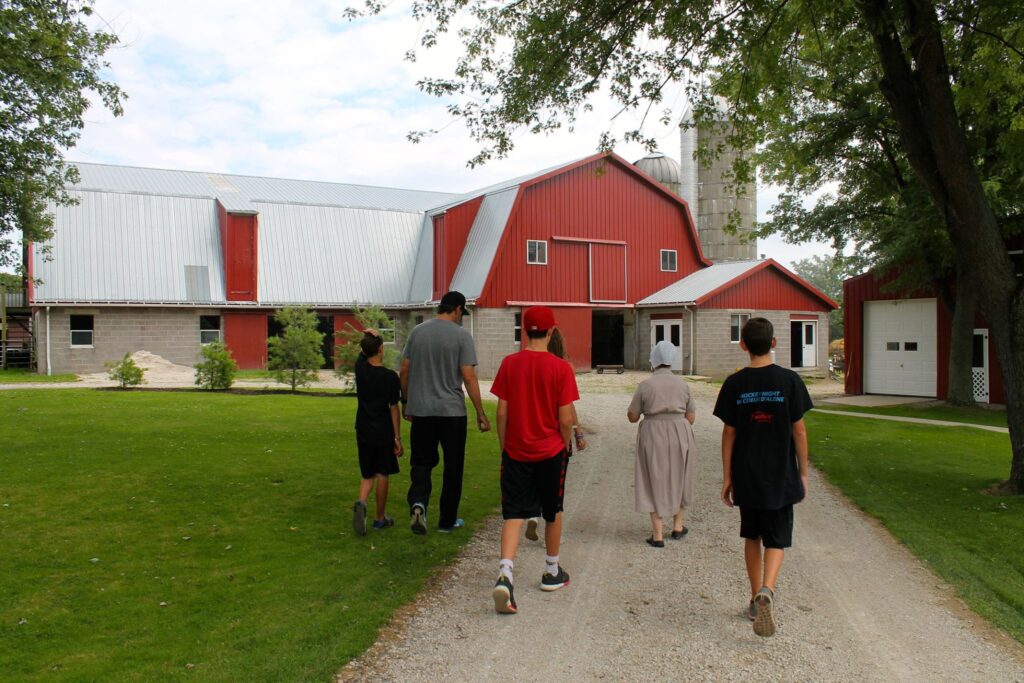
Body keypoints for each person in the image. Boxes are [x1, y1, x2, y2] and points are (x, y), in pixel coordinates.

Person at [713, 317, 812, 638]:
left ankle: (755, 599)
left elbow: (729, 433)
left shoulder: (734, 384)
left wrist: (727, 476)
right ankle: (768, 589)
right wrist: (803, 472)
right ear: (774, 343)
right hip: (780, 475)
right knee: (777, 538)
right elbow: (799, 430)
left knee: (752, 536)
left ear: (743, 345)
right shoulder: (790, 381)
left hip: (747, 474)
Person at [490, 306, 579, 614]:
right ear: (551, 331)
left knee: (513, 513)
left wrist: (506, 445)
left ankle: (505, 573)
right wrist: (564, 444)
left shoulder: (509, 364)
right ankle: (552, 570)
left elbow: (501, 412)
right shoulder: (561, 368)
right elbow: (565, 418)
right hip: (551, 451)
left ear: (525, 331)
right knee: (553, 510)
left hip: (516, 451)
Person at [400, 290, 490, 535]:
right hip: (452, 413)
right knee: (453, 466)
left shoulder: (417, 333)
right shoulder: (462, 337)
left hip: (422, 412)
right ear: (458, 309)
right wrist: (480, 412)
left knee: (421, 462)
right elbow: (469, 378)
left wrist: (406, 402)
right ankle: (447, 520)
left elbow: (405, 370)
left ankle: (418, 503)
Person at [627, 340, 697, 547]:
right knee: (681, 475)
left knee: (652, 477)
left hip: (653, 432)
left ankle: (657, 534)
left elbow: (632, 416)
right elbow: (691, 416)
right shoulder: (683, 384)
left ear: (654, 360)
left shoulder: (646, 385)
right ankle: (677, 525)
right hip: (680, 431)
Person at [524, 327, 587, 542]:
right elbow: (567, 409)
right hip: (554, 437)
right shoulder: (564, 367)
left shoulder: (528, 365)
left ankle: (533, 514)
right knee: (555, 488)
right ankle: (552, 535)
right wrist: (576, 433)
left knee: (533, 478)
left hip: (530, 433)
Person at [352, 330, 403, 535]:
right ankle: (380, 518)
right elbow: (393, 408)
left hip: (363, 428)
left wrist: (366, 334)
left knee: (367, 473)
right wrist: (397, 437)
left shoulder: (361, 370)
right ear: (381, 350)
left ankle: (361, 503)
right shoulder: (390, 377)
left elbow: (362, 353)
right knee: (382, 472)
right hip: (382, 431)